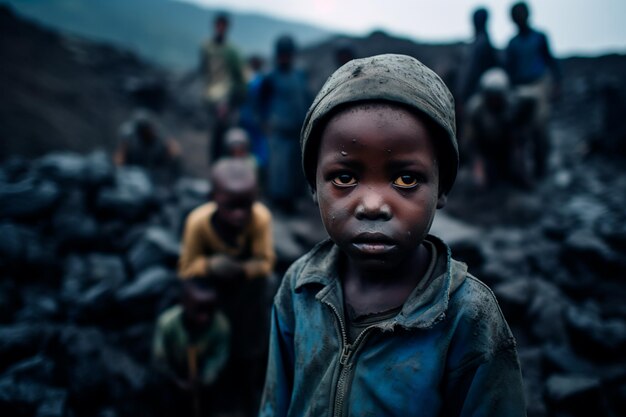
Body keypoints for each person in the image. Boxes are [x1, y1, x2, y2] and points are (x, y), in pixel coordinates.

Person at [259, 54, 526, 416]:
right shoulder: (300, 289)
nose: (372, 205)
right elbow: (276, 403)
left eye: (406, 179)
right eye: (344, 178)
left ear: (442, 187)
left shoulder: (468, 317)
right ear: (313, 185)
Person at [178, 158, 275, 416]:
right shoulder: (198, 222)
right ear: (213, 198)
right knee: (215, 355)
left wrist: (243, 269)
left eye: (246, 206)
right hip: (212, 298)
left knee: (249, 351)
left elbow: (265, 264)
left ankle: (251, 396)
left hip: (247, 299)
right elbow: (186, 268)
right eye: (231, 207)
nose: (239, 215)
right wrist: (210, 265)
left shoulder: (260, 219)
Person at [152, 278, 230, 416]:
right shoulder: (167, 324)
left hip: (203, 378)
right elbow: (159, 358)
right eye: (199, 310)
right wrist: (177, 381)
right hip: (174, 376)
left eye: (208, 311)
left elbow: (219, 356)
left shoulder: (220, 326)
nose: (204, 318)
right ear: (185, 304)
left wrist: (205, 378)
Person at [505, 1, 561, 179]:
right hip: (520, 88)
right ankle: (520, 167)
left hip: (539, 83)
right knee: (518, 127)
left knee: (540, 125)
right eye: (515, 16)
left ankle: (541, 166)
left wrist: (557, 83)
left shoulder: (539, 37)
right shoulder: (512, 43)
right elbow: (510, 70)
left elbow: (551, 60)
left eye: (521, 15)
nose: (519, 19)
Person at [258, 35, 310, 213]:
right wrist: (265, 122)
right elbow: (261, 102)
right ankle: (278, 200)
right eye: (282, 55)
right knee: (280, 166)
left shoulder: (299, 75)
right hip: (280, 129)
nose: (285, 58)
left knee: (296, 166)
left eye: (288, 54)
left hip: (298, 128)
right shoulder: (270, 78)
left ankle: (293, 200)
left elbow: (305, 97)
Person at [200, 12, 246, 163]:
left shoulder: (231, 51)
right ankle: (216, 167)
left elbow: (239, 76)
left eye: (223, 25)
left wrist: (234, 98)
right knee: (215, 134)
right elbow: (205, 71)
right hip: (212, 97)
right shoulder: (207, 47)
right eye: (219, 25)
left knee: (225, 134)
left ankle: (224, 165)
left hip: (226, 98)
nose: (220, 28)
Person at [114, 109, 181, 182]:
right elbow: (120, 159)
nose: (150, 131)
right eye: (146, 129)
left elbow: (173, 151)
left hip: (155, 172)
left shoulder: (158, 137)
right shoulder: (130, 139)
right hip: (134, 173)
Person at [458, 7, 500, 107]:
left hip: (479, 90)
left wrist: (462, 93)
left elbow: (471, 71)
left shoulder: (481, 43)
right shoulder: (481, 41)